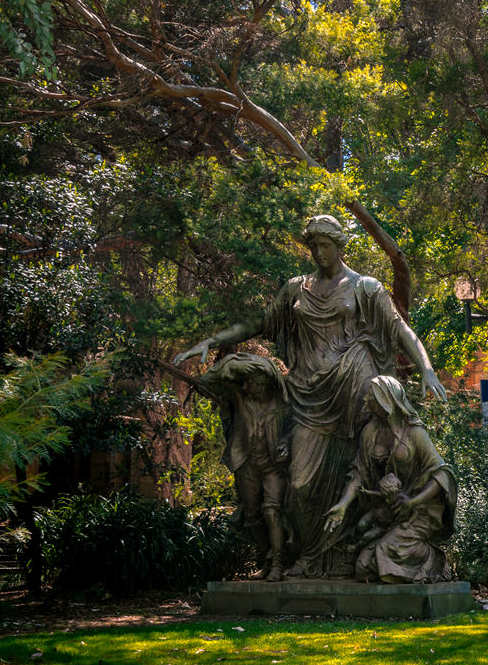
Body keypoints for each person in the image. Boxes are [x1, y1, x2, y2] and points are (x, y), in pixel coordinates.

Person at [175, 214, 446, 578]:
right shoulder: (296, 289)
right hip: (308, 394)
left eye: (325, 245)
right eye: (313, 246)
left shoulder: (365, 287)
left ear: (339, 245)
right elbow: (259, 321)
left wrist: (426, 368)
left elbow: (400, 330)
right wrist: (213, 340)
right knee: (300, 484)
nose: (318, 252)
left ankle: (352, 562)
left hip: (355, 388)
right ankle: (307, 556)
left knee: (359, 472)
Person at [324, 375, 456, 583]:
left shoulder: (415, 433)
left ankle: (432, 560)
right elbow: (359, 473)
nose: (367, 401)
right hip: (390, 509)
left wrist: (413, 501)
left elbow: (442, 473)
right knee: (364, 568)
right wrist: (342, 504)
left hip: (418, 510)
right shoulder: (370, 433)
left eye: (372, 397)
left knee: (387, 551)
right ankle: (399, 552)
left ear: (386, 400)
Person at [198, 353, 292, 582]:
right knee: (252, 515)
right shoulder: (241, 399)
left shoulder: (283, 406)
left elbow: (294, 430)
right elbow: (207, 379)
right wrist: (239, 360)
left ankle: (279, 564)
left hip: (273, 466)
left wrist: (286, 443)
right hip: (246, 464)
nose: (246, 385)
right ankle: (264, 560)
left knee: (272, 511)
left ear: (264, 384)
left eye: (251, 382)